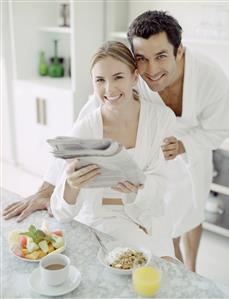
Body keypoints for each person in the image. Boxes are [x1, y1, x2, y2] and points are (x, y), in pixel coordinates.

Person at [3, 11, 229, 270]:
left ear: (179, 51)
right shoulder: (131, 80)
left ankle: (192, 270)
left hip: (189, 157)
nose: (152, 70)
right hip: (147, 167)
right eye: (142, 59)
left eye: (161, 56)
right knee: (166, 232)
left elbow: (218, 130)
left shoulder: (210, 78)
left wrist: (182, 144)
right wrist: (47, 190)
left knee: (190, 216)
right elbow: (79, 136)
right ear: (134, 65)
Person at [49, 41, 178, 257]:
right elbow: (61, 212)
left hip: (148, 216)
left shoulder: (161, 119)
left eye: (118, 77)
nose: (109, 89)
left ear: (134, 77)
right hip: (101, 221)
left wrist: (138, 189)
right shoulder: (85, 129)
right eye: (100, 80)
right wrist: (72, 185)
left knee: (168, 269)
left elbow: (161, 184)